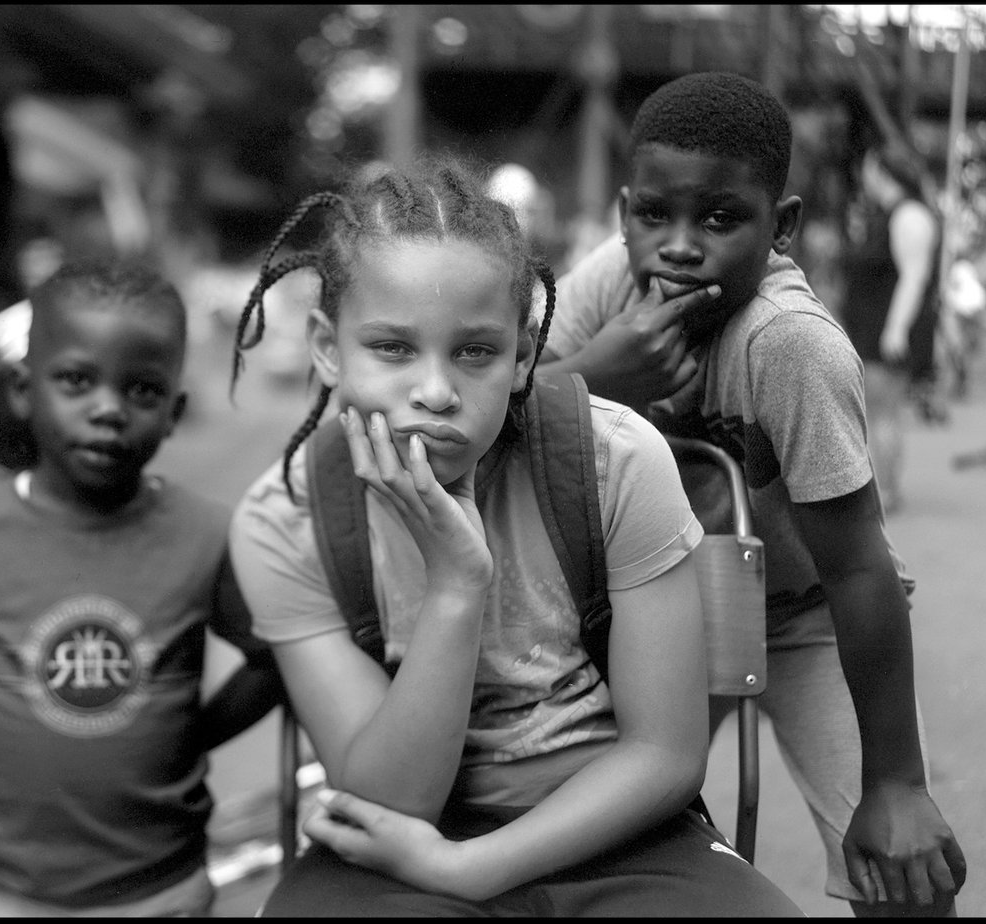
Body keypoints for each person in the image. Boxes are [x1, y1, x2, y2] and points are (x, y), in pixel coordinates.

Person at [226, 154, 802, 917]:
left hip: (608, 818)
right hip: (399, 839)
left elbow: (664, 755)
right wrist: (456, 586)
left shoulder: (611, 461)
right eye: (393, 348)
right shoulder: (288, 518)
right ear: (329, 349)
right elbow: (394, 801)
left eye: (475, 351)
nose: (435, 393)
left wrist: (474, 870)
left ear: (525, 353)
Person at [539, 72, 966, 917]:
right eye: (653, 215)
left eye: (722, 219)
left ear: (784, 227)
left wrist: (897, 783)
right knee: (605, 840)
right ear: (626, 209)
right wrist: (593, 378)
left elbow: (857, 568)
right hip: (668, 618)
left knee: (903, 872)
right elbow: (496, 415)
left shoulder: (788, 344)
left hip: (808, 614)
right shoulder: (606, 286)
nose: (680, 246)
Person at [0, 259, 284, 917]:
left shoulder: (207, 536)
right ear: (24, 391)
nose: (108, 409)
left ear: (174, 412)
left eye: (141, 390)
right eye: (78, 381)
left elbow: (271, 658)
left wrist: (189, 733)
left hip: (159, 890)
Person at [841, 141, 945, 509]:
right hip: (873, 327)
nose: (864, 176)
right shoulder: (886, 214)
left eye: (869, 168)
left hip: (889, 331)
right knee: (877, 410)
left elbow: (915, 277)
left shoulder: (909, 216)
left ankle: (886, 491)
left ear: (884, 173)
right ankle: (884, 488)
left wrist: (896, 329)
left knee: (883, 410)